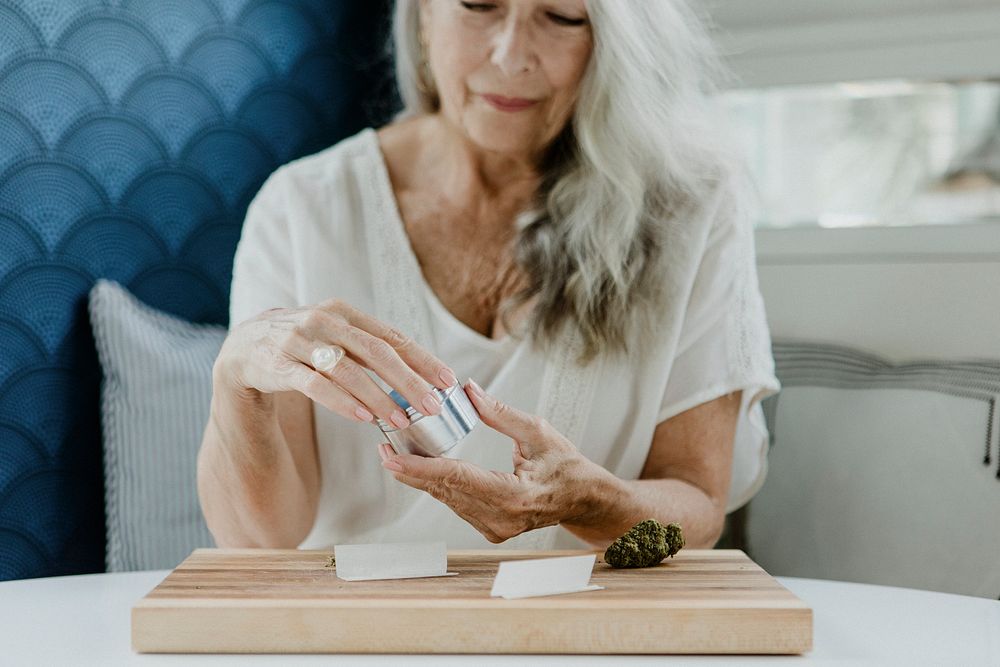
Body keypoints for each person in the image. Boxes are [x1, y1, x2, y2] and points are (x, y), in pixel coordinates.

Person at [197, 0, 780, 552]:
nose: (510, 54)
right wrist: (237, 379)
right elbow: (258, 540)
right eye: (479, 5)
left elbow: (698, 510)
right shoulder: (301, 206)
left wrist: (593, 502)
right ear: (425, 15)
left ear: (617, 43)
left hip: (581, 634)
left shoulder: (691, 207)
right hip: (357, 633)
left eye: (561, 17)